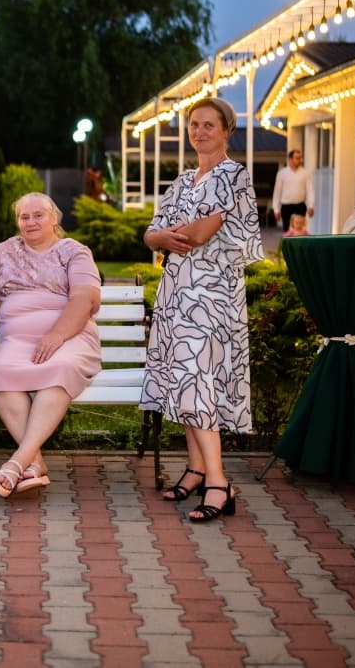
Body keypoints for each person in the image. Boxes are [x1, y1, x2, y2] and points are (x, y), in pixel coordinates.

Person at [140, 97, 264, 523]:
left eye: (209, 124)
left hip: (211, 295)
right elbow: (150, 234)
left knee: (198, 380)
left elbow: (200, 232)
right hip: (176, 293)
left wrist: (169, 235)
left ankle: (219, 482)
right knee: (183, 379)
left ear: (226, 130)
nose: (200, 131)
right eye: (194, 124)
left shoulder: (234, 176)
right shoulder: (182, 180)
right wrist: (162, 237)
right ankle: (195, 469)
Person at [0, 192, 101, 497]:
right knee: (2, 372)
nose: (31, 222)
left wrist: (57, 335)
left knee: (59, 367)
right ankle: (34, 464)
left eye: (39, 215)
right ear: (17, 221)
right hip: (18, 339)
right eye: (24, 216)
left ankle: (18, 461)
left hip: (69, 335)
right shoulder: (5, 250)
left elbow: (85, 298)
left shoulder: (72, 251)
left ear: (54, 218)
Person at [270, 149, 314, 233]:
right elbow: (277, 192)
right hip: (286, 207)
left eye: (300, 158)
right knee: (287, 231)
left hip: (300, 206)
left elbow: (310, 190)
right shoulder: (282, 173)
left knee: (300, 230)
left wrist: (310, 205)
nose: (299, 160)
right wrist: (276, 209)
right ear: (290, 159)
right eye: (297, 158)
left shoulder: (305, 173)